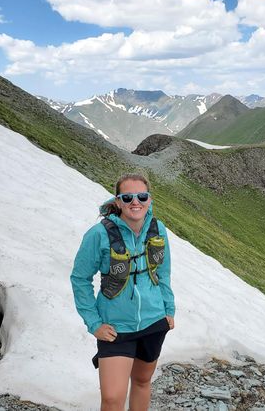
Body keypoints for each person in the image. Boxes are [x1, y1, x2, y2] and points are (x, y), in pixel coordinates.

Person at [71, 173, 175, 411]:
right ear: (117, 201)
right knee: (112, 398)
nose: (135, 202)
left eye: (141, 196)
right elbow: (80, 279)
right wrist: (94, 322)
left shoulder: (158, 229)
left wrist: (168, 309)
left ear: (149, 199)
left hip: (153, 321)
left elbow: (164, 272)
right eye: (127, 197)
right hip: (115, 328)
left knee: (141, 381)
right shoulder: (98, 234)